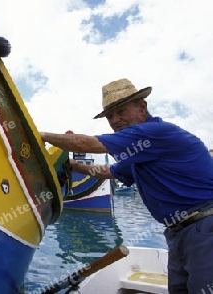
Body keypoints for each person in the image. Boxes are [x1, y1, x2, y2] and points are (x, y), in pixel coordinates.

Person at [40, 78, 213, 293]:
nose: (115, 120)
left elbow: (85, 144)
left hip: (205, 227)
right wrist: (74, 165)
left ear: (142, 107)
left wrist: (42, 136)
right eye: (110, 116)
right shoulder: (140, 153)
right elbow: (109, 171)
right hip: (178, 233)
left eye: (121, 112)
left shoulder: (154, 133)